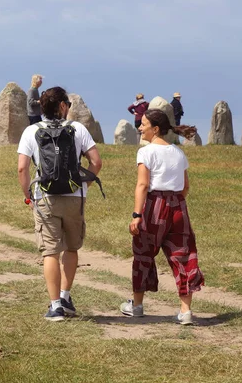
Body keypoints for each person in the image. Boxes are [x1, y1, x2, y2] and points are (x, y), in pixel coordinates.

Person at [17, 86, 102, 321]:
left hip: (45, 198)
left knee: (51, 252)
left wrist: (28, 196)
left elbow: (22, 168)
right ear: (63, 106)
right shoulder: (78, 129)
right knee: (71, 248)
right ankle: (65, 296)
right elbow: (96, 161)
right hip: (75, 196)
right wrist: (85, 186)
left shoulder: (31, 131)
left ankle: (55, 306)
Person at [121, 109, 204, 325]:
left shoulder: (146, 152)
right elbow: (185, 187)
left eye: (144, 124)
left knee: (144, 253)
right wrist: (174, 202)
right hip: (178, 206)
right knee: (183, 255)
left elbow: (143, 184)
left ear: (155, 129)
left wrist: (137, 214)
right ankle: (185, 311)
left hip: (154, 206)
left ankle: (137, 306)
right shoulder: (179, 153)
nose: (140, 127)